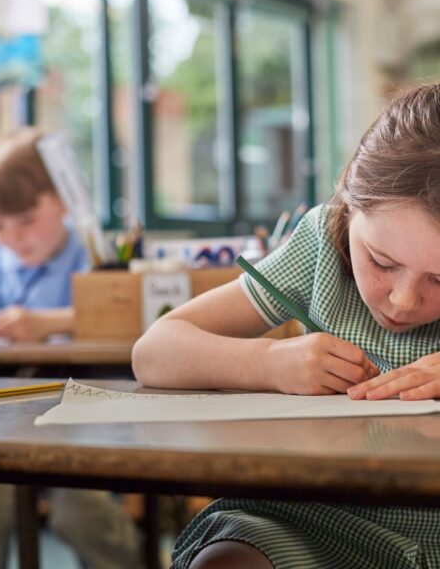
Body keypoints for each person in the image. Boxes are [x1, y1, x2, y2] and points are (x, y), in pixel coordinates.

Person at [132, 82, 440, 569]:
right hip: (310, 519)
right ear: (348, 205)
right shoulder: (320, 241)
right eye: (381, 261)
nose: (403, 301)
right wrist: (269, 362)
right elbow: (154, 350)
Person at [0, 128, 141, 569]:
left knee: (82, 512)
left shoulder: (91, 251)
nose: (11, 237)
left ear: (61, 200)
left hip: (85, 413)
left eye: (25, 220)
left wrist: (48, 323)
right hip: (9, 419)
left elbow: (126, 317)